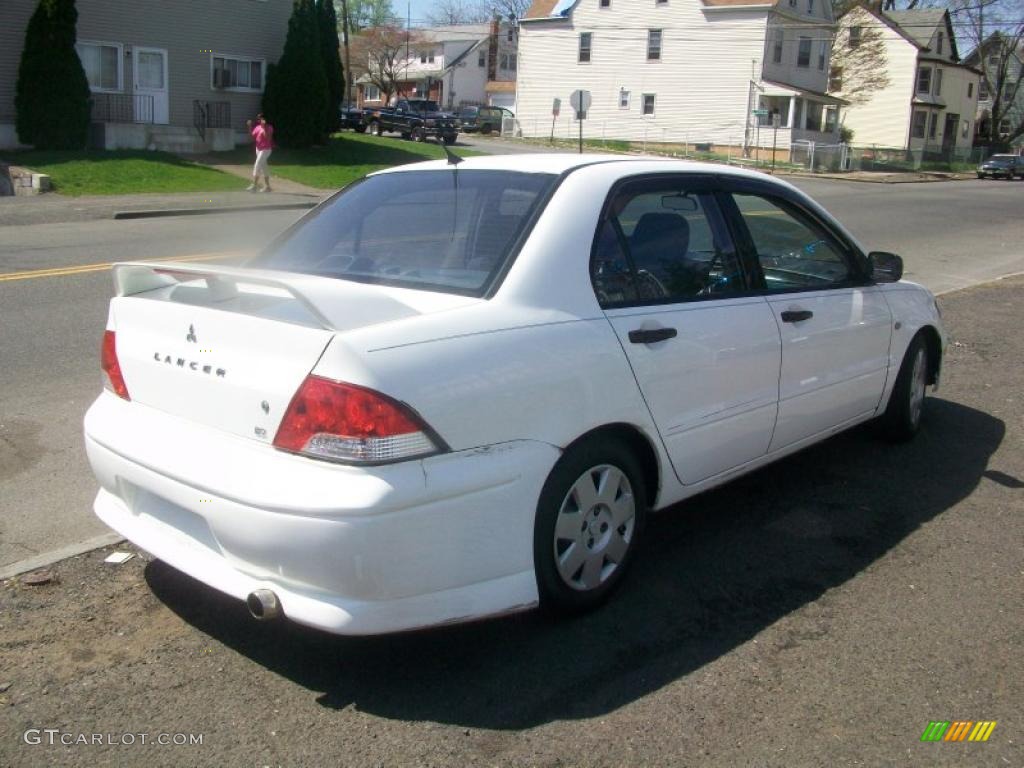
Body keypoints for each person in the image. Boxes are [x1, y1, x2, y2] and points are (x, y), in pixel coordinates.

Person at [246, 114, 274, 193]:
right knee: (264, 167)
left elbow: (268, 138)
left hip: (266, 150)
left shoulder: (269, 127)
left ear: (264, 120)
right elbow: (251, 137)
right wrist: (249, 127)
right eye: (258, 119)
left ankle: (254, 185)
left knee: (257, 164)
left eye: (260, 119)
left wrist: (264, 127)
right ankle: (268, 187)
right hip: (258, 149)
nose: (259, 121)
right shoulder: (257, 127)